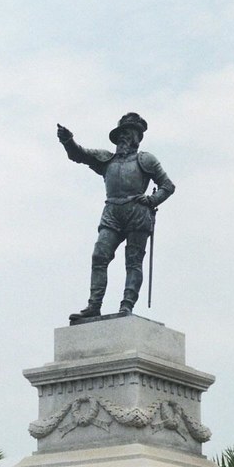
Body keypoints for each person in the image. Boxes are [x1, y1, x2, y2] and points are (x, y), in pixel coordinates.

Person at [57, 113, 175, 321]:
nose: (123, 136)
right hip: (112, 211)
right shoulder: (107, 159)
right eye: (121, 133)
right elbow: (79, 154)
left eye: (127, 133)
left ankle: (126, 305)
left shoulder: (146, 159)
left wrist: (152, 200)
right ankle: (94, 305)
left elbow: (168, 186)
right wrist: (68, 140)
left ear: (136, 137)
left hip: (137, 213)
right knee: (99, 256)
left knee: (133, 262)